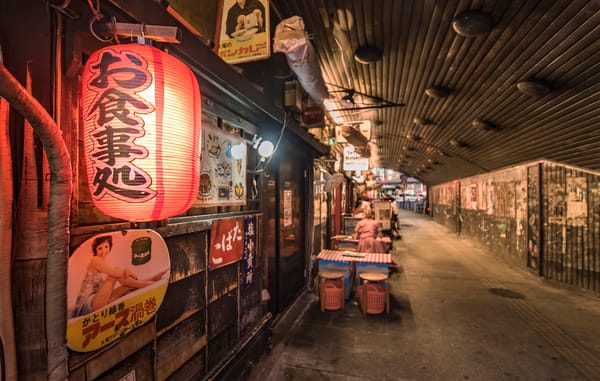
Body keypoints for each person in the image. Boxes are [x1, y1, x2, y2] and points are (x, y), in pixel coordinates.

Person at [71, 235, 168, 318]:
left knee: (127, 287)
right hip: (89, 305)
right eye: (100, 248)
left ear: (110, 247)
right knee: (116, 272)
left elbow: (117, 275)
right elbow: (115, 274)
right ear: (95, 250)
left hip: (99, 299)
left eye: (106, 247)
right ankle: (144, 284)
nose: (104, 251)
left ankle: (152, 279)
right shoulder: (96, 260)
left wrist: (124, 272)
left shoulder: (103, 262)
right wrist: (126, 271)